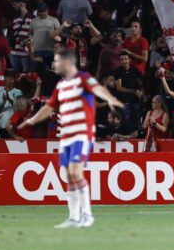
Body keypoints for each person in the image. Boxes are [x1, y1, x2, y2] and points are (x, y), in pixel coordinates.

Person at [18, 50, 124, 228]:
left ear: (67, 62)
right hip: (66, 135)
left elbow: (97, 88)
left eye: (57, 61)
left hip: (82, 133)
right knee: (68, 176)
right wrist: (32, 120)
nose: (54, 64)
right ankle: (74, 218)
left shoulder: (83, 78)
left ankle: (87, 215)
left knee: (76, 172)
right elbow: (49, 108)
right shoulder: (61, 85)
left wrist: (110, 98)